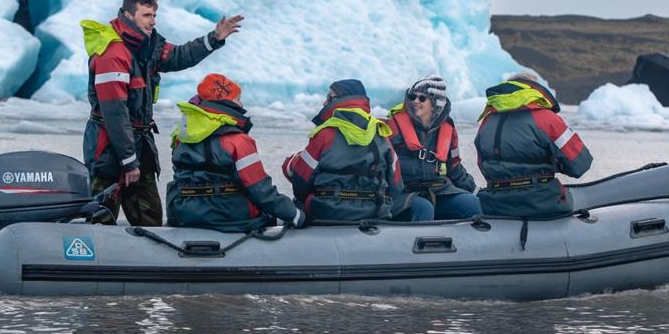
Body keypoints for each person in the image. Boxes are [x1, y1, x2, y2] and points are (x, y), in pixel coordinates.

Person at [82, 0, 244, 226]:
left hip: (140, 146)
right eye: (146, 16)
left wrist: (214, 39)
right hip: (108, 150)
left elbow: (179, 56)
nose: (152, 21)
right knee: (100, 220)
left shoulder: (149, 44)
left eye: (154, 15)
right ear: (128, 16)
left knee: (150, 221)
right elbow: (115, 113)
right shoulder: (113, 53)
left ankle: (151, 261)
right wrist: (128, 161)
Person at [166, 73, 306, 231]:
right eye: (238, 98)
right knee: (268, 217)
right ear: (228, 101)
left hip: (184, 214)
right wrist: (294, 214)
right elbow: (260, 189)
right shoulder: (237, 140)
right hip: (229, 216)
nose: (242, 104)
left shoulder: (181, 136)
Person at [282, 79, 429, 223]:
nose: (324, 102)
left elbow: (301, 182)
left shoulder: (324, 135)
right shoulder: (381, 135)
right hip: (372, 212)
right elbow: (396, 183)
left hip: (326, 211)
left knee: (297, 204)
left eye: (329, 97)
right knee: (421, 206)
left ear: (337, 100)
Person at [473, 73, 593, 218]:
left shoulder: (487, 121)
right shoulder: (547, 119)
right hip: (541, 203)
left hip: (493, 204)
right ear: (535, 90)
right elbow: (580, 164)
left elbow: (483, 164)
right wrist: (555, 164)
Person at [387, 75, 481, 219]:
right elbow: (383, 166)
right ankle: (416, 240)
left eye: (422, 98)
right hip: (404, 194)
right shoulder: (393, 127)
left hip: (439, 190)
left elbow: (455, 167)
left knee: (472, 203)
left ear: (436, 103)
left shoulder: (448, 129)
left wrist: (475, 190)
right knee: (423, 208)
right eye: (412, 97)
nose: (415, 101)